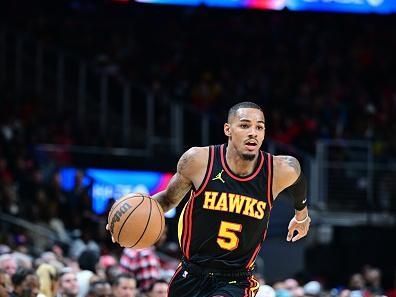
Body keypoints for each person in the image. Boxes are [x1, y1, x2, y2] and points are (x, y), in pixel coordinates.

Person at [108, 101, 311, 297]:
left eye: (260, 127)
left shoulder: (279, 170)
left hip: (236, 279)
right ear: (227, 129)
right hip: (191, 272)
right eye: (244, 125)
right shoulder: (198, 161)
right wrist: (123, 222)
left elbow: (298, 180)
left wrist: (301, 215)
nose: (253, 132)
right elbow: (167, 200)